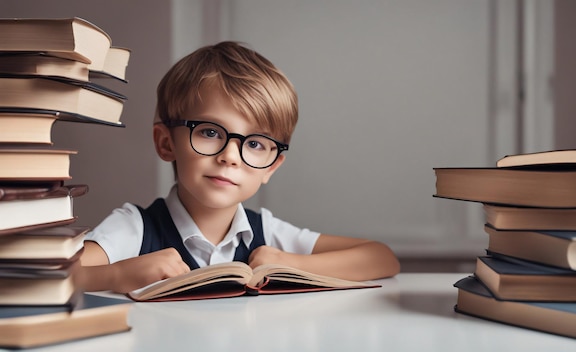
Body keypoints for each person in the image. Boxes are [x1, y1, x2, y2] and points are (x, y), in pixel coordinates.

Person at [78, 41, 400, 293]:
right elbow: (48, 277)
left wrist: (288, 263)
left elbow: (381, 257)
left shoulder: (268, 234)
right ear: (166, 143)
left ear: (271, 166)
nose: (230, 156)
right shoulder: (136, 229)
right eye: (209, 132)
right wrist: (116, 274)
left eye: (255, 143)